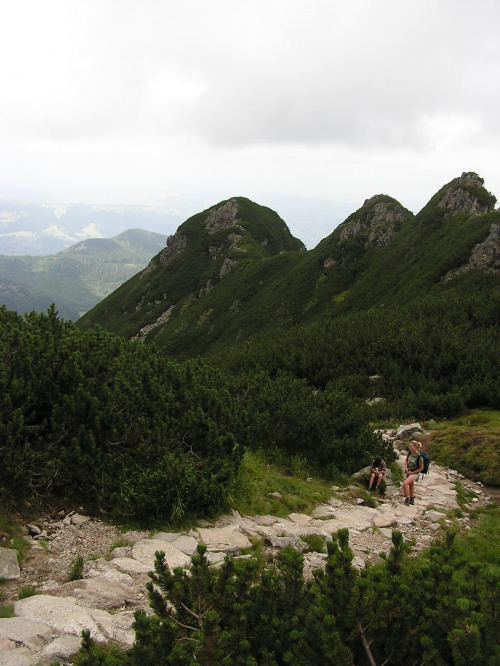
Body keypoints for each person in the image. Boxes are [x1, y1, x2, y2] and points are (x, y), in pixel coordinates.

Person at [402, 440, 424, 506]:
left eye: (411, 446)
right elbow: (406, 461)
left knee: (405, 483)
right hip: (409, 471)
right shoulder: (410, 453)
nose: (410, 448)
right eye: (409, 446)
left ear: (415, 447)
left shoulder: (419, 457)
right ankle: (412, 499)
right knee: (411, 485)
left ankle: (407, 499)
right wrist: (406, 468)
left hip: (415, 473)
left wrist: (412, 473)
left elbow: (421, 468)